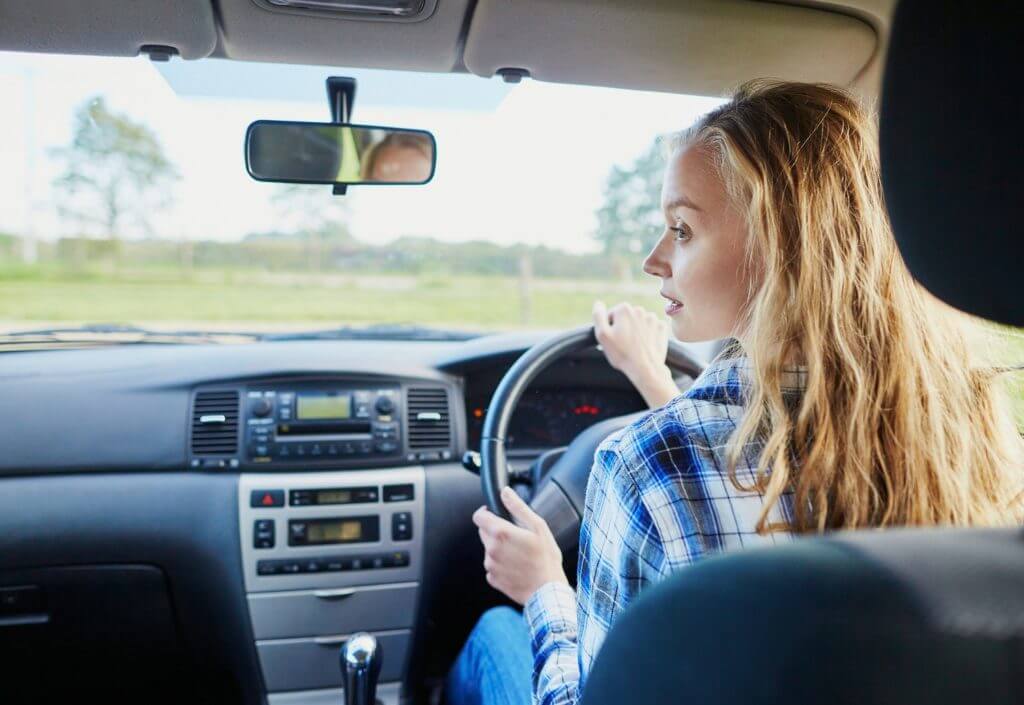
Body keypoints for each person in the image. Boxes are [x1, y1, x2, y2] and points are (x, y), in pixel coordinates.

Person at [445, 79, 1024, 705]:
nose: (653, 259)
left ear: (780, 244)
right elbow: (757, 452)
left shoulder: (641, 465)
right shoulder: (974, 430)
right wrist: (655, 381)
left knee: (493, 633)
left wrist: (545, 591)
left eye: (682, 230)